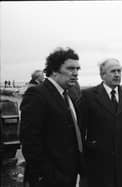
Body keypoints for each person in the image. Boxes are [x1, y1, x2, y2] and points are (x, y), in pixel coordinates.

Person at [20, 47, 84, 187]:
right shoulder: (37, 95)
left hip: (68, 174)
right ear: (54, 70)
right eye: (70, 68)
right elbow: (30, 141)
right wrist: (46, 174)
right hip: (50, 178)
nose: (75, 73)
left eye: (77, 69)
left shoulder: (68, 96)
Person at [78, 58, 122, 187]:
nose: (117, 74)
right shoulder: (88, 96)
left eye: (119, 71)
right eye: (112, 71)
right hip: (97, 162)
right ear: (102, 75)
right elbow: (80, 129)